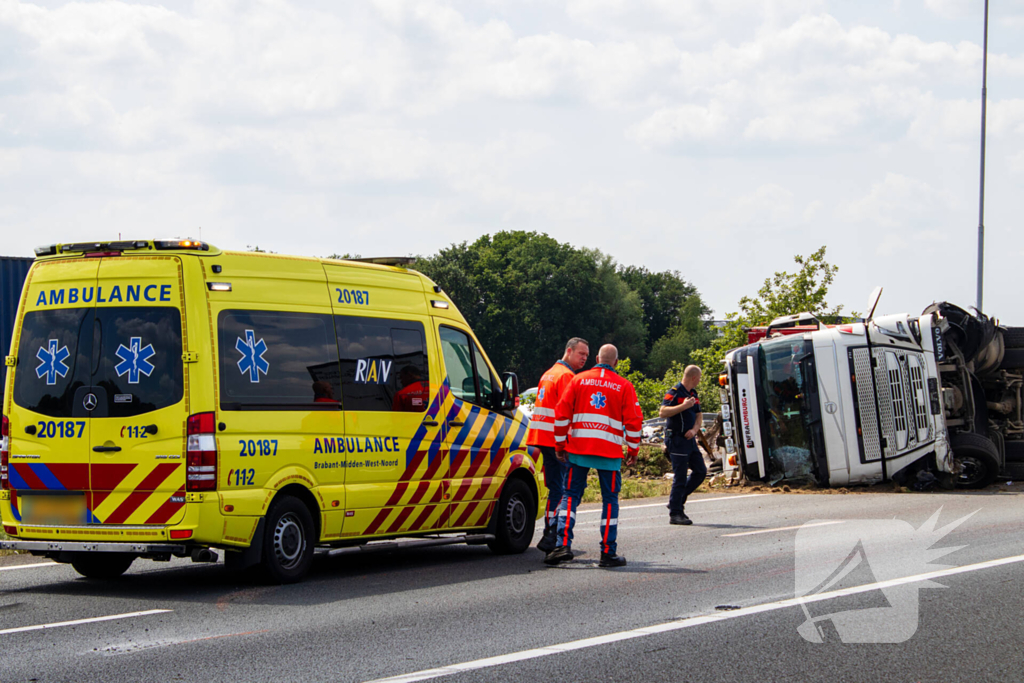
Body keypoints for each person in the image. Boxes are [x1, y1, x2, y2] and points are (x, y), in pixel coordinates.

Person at [544, 344, 643, 568]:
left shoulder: (577, 380)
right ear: (616, 363)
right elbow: (634, 422)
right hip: (609, 455)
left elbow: (561, 415)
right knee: (610, 501)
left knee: (569, 496)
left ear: (597, 358)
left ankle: (562, 545)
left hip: (578, 451)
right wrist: (633, 450)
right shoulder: (624, 386)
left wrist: (559, 445)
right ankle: (607, 553)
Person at [526, 337, 590, 552]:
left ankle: (549, 533)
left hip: (543, 439)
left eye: (587, 356)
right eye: (581, 354)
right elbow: (567, 413)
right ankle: (554, 533)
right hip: (557, 441)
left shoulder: (549, 373)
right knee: (568, 491)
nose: (584, 359)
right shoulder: (566, 376)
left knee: (556, 490)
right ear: (569, 351)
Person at [659, 365, 704, 525]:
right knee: (680, 476)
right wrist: (683, 406)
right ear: (693, 378)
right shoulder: (675, 391)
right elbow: (663, 412)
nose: (699, 381)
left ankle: (676, 500)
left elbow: (699, 415)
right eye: (699, 378)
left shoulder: (693, 394)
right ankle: (675, 513)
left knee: (700, 471)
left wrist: (694, 429)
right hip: (676, 440)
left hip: (689, 439)